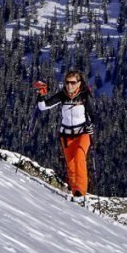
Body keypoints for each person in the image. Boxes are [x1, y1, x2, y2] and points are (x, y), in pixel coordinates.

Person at [36, 69, 96, 201]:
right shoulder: (62, 95)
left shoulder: (85, 95)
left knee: (79, 158)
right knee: (70, 163)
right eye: (67, 82)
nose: (69, 85)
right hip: (66, 135)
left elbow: (93, 114)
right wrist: (40, 94)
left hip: (82, 133)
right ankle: (75, 192)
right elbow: (43, 107)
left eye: (73, 82)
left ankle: (81, 191)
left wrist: (90, 125)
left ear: (79, 83)